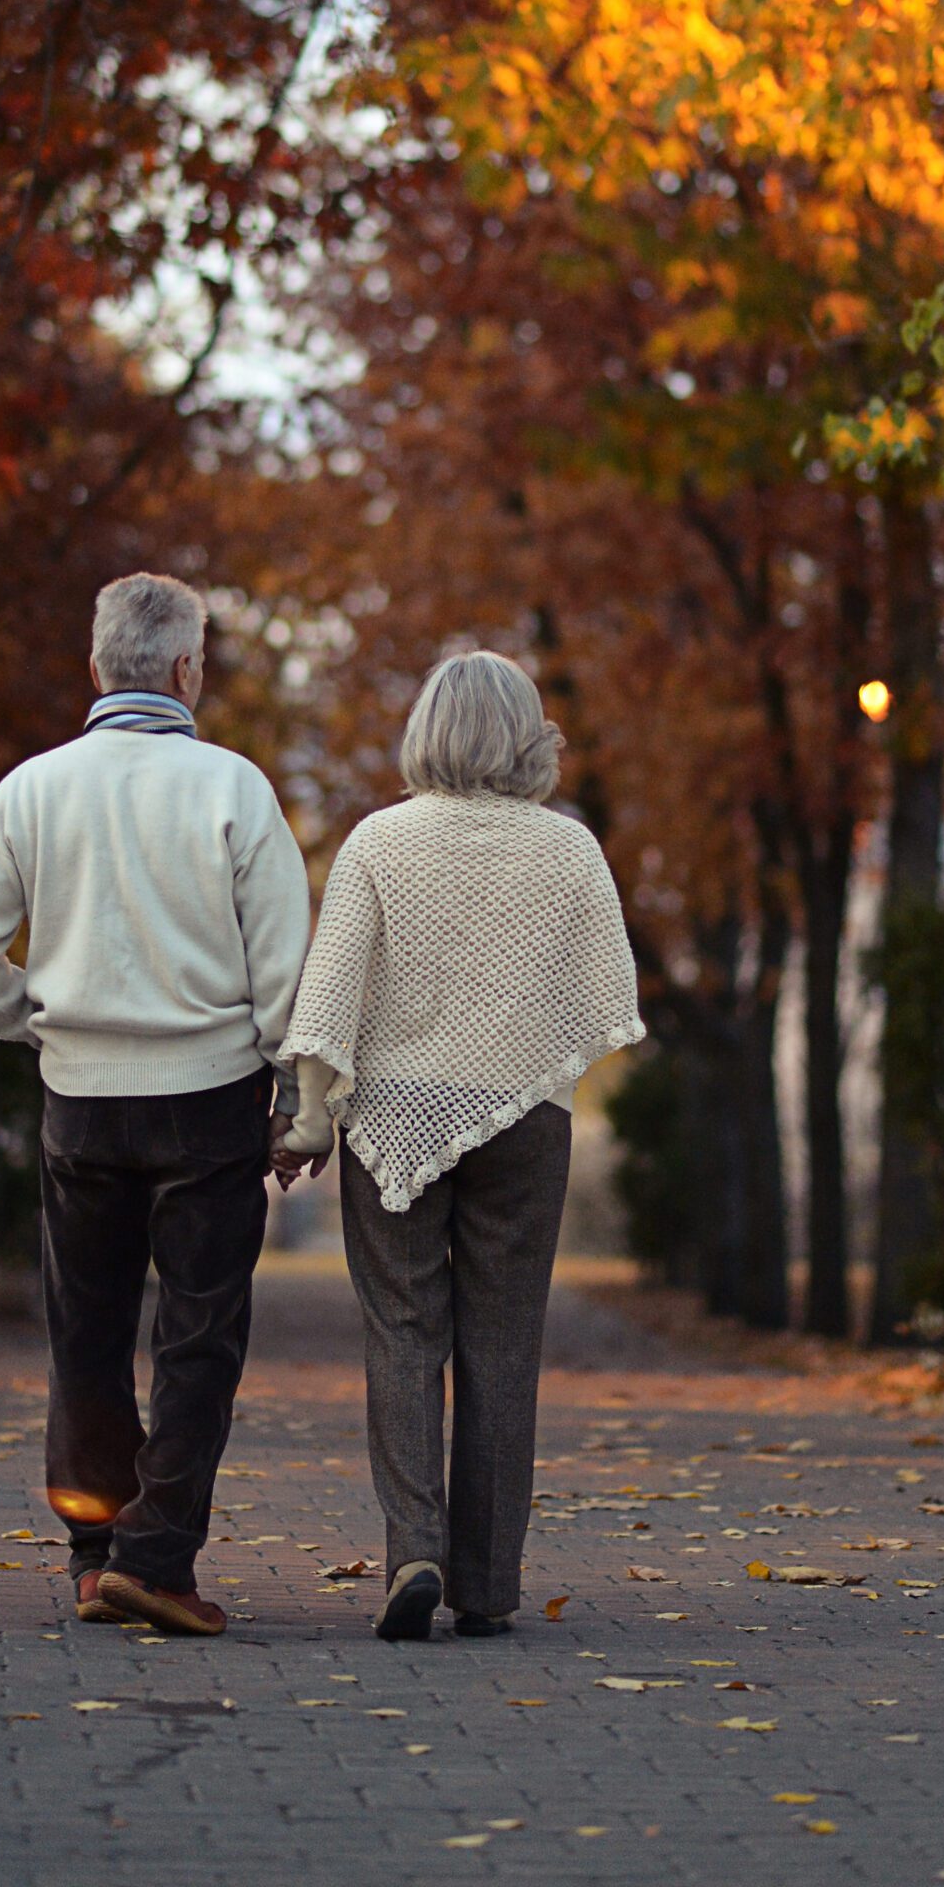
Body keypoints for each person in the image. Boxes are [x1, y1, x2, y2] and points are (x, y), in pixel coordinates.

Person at [0, 571, 310, 1637]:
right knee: (197, 1338)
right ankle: (159, 1556)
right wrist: (291, 1091)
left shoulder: (30, 790)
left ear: (95, 667)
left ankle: (96, 1554)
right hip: (208, 1102)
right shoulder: (236, 788)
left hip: (80, 1101)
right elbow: (285, 976)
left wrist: (38, 1020)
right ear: (190, 670)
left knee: (84, 1334)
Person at [273, 650, 643, 1642]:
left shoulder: (379, 843)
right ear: (529, 737)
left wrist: (310, 1118)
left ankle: (414, 1551)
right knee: (503, 1342)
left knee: (402, 1330)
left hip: (392, 1108)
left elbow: (329, 998)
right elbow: (602, 989)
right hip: (524, 1114)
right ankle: (486, 1579)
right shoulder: (568, 851)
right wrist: (532, 1056)